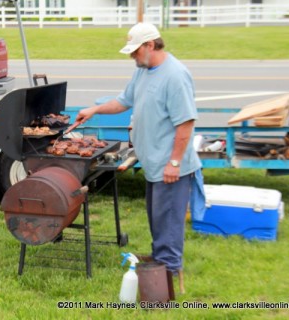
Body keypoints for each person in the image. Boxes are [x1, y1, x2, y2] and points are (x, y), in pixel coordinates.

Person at [75, 22, 202, 293]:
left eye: (135, 51)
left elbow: (185, 124)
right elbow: (123, 101)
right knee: (158, 220)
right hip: (154, 164)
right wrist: (94, 109)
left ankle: (161, 291)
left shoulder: (175, 75)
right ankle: (160, 271)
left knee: (168, 224)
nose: (132, 56)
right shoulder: (143, 71)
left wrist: (175, 163)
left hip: (171, 167)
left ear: (150, 45)